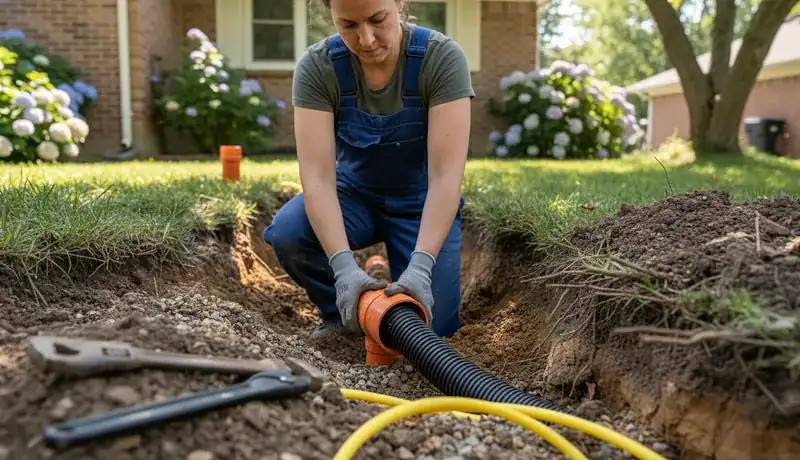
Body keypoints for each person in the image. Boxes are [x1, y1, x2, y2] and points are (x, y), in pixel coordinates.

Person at [263, 0, 474, 341]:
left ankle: (396, 266)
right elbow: (317, 178)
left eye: (378, 20)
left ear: (399, 4)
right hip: (354, 198)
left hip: (421, 204)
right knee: (289, 233)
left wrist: (421, 267)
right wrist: (343, 269)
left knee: (434, 331)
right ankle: (338, 313)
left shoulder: (441, 58)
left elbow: (445, 177)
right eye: (348, 25)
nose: (366, 40)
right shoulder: (319, 67)